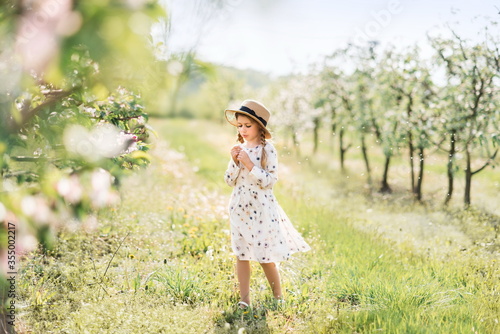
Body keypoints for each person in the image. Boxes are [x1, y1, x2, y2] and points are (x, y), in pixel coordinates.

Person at [224, 99, 311, 309]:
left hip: (261, 210)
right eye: (240, 126)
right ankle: (244, 300)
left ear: (259, 127)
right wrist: (236, 162)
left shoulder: (267, 150)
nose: (243, 130)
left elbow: (270, 181)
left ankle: (278, 297)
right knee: (241, 254)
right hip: (239, 208)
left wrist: (249, 164)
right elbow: (228, 180)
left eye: (248, 125)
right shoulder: (239, 149)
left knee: (264, 255)